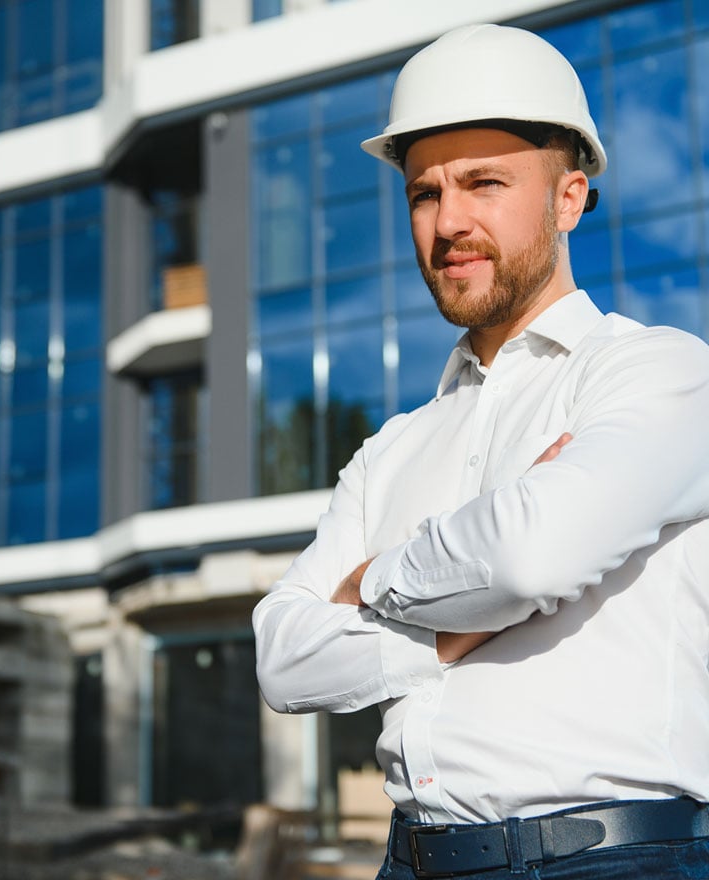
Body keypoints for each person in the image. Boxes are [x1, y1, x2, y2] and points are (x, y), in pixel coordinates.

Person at [252, 22, 709, 880]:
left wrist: (377, 580)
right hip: (411, 861)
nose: (448, 221)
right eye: (425, 194)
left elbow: (531, 557)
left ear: (569, 198)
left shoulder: (662, 374)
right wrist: (450, 631)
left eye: (484, 183)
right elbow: (282, 656)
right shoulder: (393, 448)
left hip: (614, 862)